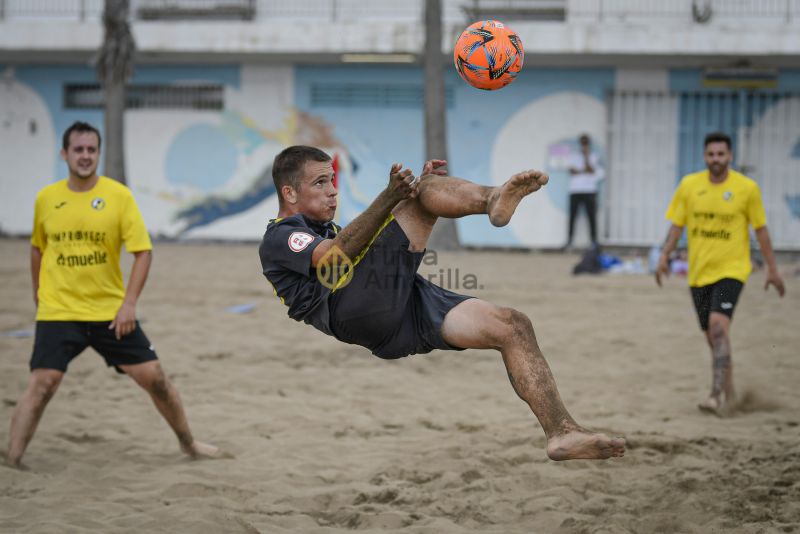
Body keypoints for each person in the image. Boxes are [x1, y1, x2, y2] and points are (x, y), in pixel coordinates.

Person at [259, 145, 626, 461]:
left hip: (401, 311)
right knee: (424, 194)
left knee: (513, 326)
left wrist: (406, 195)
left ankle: (562, 432)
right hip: (351, 310)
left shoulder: (329, 230)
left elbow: (371, 240)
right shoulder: (280, 236)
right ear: (289, 193)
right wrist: (396, 196)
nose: (333, 191)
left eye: (333, 180)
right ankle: (490, 198)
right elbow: (334, 259)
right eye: (320, 183)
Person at [5, 121, 223, 468]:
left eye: (92, 149)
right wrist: (38, 297)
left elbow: (143, 252)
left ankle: (189, 443)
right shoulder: (47, 199)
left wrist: (129, 304)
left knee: (156, 379)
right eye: (79, 149)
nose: (86, 156)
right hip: (59, 310)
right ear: (65, 154)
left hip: (110, 311)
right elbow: (37, 249)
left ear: (99, 153)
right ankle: (13, 458)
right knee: (43, 382)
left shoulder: (118, 196)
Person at [655, 132, 785, 416]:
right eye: (711, 154)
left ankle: (715, 395)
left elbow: (760, 230)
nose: (716, 159)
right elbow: (677, 225)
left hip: (732, 271)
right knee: (714, 338)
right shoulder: (690, 185)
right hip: (698, 274)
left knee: (718, 328)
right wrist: (664, 255)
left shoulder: (746, 188)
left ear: (730, 156)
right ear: (705, 156)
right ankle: (731, 392)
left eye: (721, 154)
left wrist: (772, 269)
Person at [565, 134, 605, 249]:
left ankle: (593, 242)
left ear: (588, 143)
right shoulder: (573, 156)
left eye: (585, 142)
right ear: (579, 143)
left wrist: (586, 158)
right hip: (575, 190)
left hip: (590, 190)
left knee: (591, 217)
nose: (584, 145)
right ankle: (569, 241)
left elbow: (592, 170)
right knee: (572, 217)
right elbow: (572, 171)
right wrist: (586, 170)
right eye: (582, 142)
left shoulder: (594, 156)